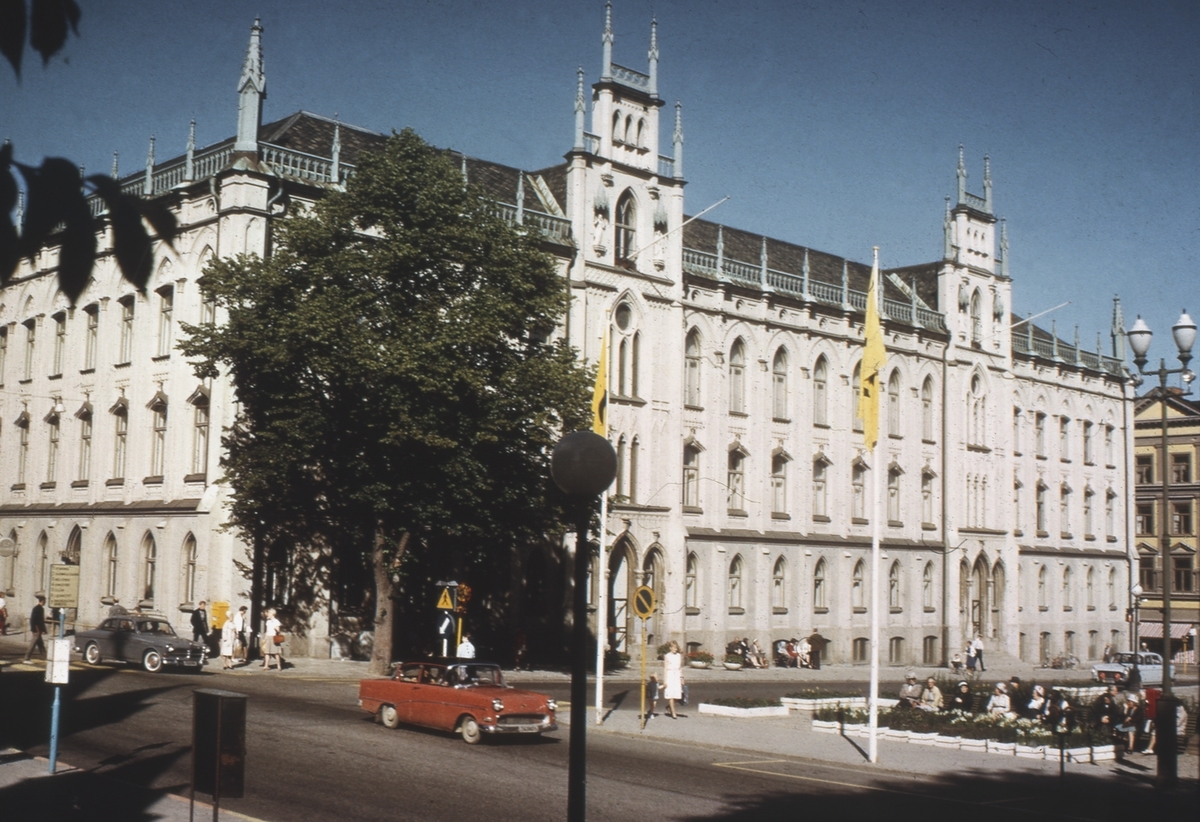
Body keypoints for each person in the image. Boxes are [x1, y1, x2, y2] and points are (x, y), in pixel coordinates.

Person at [662, 640, 683, 719]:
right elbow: (665, 668)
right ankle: (673, 712)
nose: (675, 649)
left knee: (677, 696)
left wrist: (682, 677)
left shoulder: (678, 655)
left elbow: (680, 667)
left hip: (677, 675)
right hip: (670, 675)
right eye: (674, 648)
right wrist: (665, 680)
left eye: (676, 648)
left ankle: (669, 706)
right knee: (671, 694)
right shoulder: (667, 656)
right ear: (670, 648)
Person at [23, 595, 47, 662]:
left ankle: (46, 657)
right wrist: (43, 629)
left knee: (41, 644)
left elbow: (32, 619)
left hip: (36, 628)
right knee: (33, 644)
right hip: (37, 629)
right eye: (45, 601)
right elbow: (40, 621)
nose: (45, 602)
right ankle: (26, 658)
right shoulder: (40, 609)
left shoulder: (35, 608)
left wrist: (32, 629)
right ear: (42, 601)